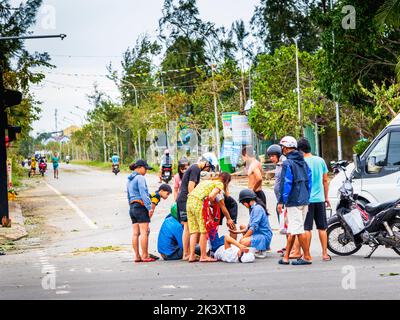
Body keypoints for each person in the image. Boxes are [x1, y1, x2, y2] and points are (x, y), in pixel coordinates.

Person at [277, 136, 313, 266]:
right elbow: (310, 180)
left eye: (282, 147)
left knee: (298, 230)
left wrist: (281, 201)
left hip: (294, 200)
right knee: (293, 229)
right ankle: (286, 257)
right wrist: (307, 196)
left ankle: (307, 257)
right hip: (304, 199)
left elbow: (286, 183)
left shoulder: (287, 163)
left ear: (285, 148)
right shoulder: (303, 162)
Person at [297, 138, 332, 262]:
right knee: (322, 228)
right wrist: (326, 197)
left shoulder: (301, 162)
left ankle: (307, 254)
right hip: (320, 199)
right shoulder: (320, 160)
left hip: (306, 200)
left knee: (307, 228)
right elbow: (325, 181)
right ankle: (325, 254)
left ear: (300, 150)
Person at [186, 172, 232, 262]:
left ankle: (191, 255)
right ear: (226, 181)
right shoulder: (219, 183)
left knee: (194, 231)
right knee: (204, 231)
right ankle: (203, 256)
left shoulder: (207, 181)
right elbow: (211, 196)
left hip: (189, 202)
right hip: (198, 202)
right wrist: (211, 202)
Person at [175, 156, 213, 260]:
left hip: (183, 199)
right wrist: (194, 200)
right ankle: (186, 253)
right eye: (208, 168)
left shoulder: (193, 168)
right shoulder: (196, 168)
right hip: (185, 199)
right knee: (188, 228)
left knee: (188, 228)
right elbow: (190, 187)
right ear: (205, 163)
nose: (206, 170)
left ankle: (187, 254)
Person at [127, 159, 155, 263]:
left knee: (135, 233)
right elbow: (144, 193)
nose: (146, 171)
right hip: (140, 206)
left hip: (132, 207)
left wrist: (131, 206)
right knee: (144, 232)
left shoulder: (129, 179)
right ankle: (145, 256)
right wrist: (149, 207)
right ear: (139, 168)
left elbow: (128, 196)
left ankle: (137, 256)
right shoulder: (140, 178)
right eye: (145, 169)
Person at [232, 189, 273, 259]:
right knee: (242, 227)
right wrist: (237, 232)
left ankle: (261, 250)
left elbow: (252, 228)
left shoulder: (257, 209)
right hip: (258, 233)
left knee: (243, 241)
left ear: (247, 202)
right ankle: (255, 247)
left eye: (243, 203)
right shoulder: (254, 207)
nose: (244, 205)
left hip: (264, 237)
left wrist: (241, 240)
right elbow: (249, 226)